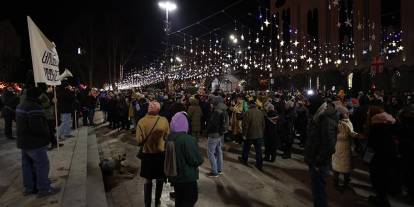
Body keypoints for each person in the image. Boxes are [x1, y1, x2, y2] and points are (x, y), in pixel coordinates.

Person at [16, 86, 60, 197]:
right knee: (42, 164)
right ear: (36, 96)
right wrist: (47, 138)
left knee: (27, 165)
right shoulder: (34, 108)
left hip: (23, 142)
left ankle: (29, 188)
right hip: (34, 143)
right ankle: (44, 189)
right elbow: (39, 128)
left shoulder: (21, 105)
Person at [304, 99, 339, 207]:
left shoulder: (325, 119)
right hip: (316, 160)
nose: (307, 106)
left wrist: (319, 161)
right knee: (317, 190)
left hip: (318, 163)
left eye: (309, 104)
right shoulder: (319, 117)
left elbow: (329, 145)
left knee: (319, 191)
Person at [136, 101, 169, 207]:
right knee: (160, 178)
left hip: (147, 154)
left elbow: (138, 140)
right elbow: (167, 137)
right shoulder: (164, 121)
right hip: (160, 154)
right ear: (158, 110)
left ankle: (147, 203)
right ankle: (157, 201)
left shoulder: (141, 122)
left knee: (147, 180)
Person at [167, 112, 204, 207]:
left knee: (179, 200)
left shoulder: (169, 138)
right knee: (190, 200)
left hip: (175, 177)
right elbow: (196, 160)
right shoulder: (188, 139)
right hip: (187, 177)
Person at [367, 103, 398, 207]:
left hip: (380, 155)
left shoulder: (376, 126)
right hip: (391, 153)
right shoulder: (389, 122)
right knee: (386, 175)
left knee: (377, 177)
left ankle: (382, 199)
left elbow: (372, 143)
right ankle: (383, 196)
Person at [331, 106, 359, 192]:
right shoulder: (340, 124)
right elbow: (343, 135)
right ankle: (336, 183)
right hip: (340, 146)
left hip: (346, 147)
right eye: (345, 113)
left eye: (347, 113)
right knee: (339, 166)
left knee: (346, 166)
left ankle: (346, 183)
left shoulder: (347, 122)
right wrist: (355, 135)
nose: (348, 114)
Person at [239, 100, 266, 171]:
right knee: (258, 150)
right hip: (259, 135)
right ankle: (259, 164)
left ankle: (244, 160)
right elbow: (263, 124)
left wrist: (244, 134)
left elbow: (245, 125)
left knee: (246, 148)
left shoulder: (247, 113)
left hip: (250, 135)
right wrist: (261, 132)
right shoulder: (261, 112)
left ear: (250, 105)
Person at [206, 96, 227, 177]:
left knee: (210, 153)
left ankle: (214, 171)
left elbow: (213, 124)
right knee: (219, 152)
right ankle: (219, 169)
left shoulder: (216, 112)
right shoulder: (223, 110)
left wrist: (208, 130)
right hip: (220, 134)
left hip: (214, 134)